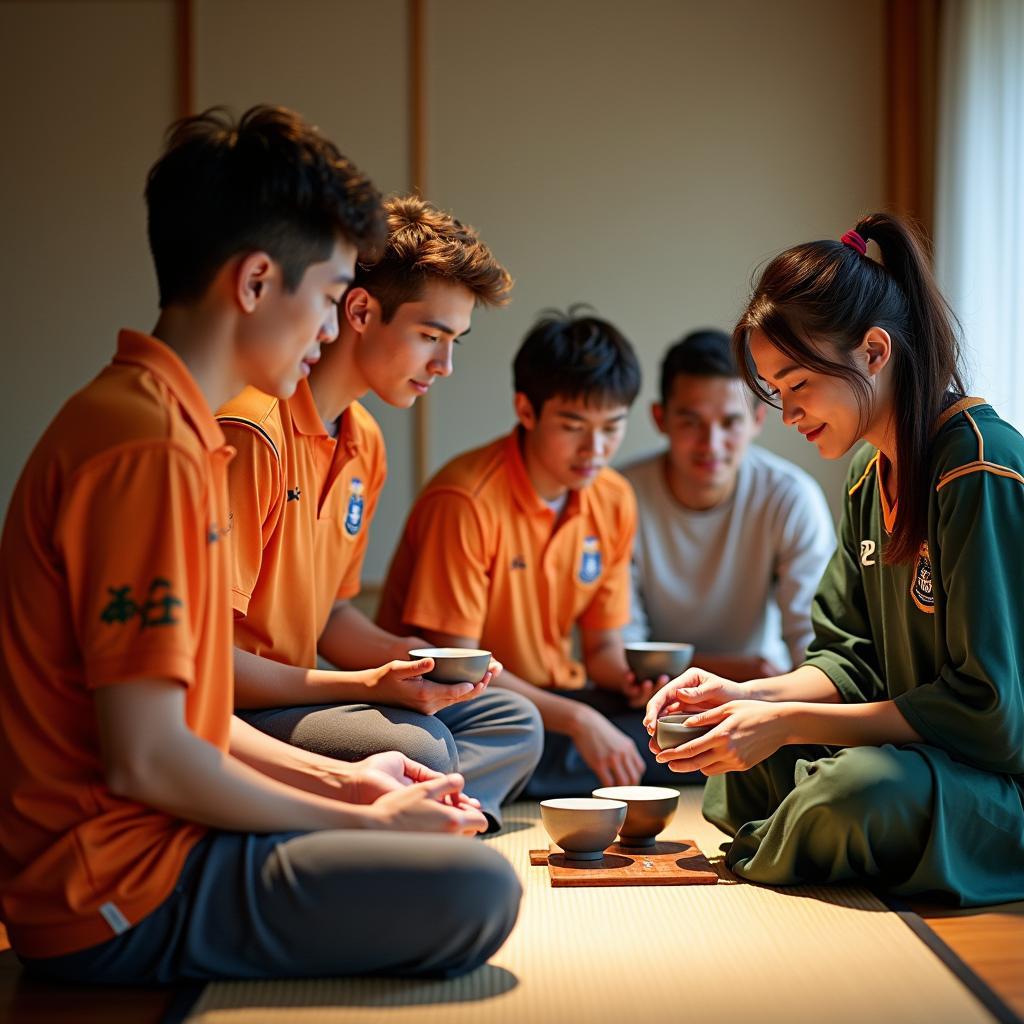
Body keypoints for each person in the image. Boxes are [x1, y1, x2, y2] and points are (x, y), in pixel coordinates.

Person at [0, 105, 521, 987]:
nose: (331, 330)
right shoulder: (152, 449)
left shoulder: (165, 425)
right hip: (116, 885)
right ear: (252, 284)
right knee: (475, 889)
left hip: (154, 838)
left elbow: (196, 722)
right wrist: (363, 821)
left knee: (447, 829)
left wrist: (349, 787)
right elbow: (151, 755)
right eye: (326, 297)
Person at [645, 213, 1024, 905]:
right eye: (775, 391)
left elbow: (991, 715)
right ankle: (802, 836)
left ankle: (798, 837)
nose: (787, 412)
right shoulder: (864, 474)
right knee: (738, 756)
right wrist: (744, 698)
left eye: (797, 384)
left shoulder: (977, 465)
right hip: (928, 754)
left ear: (875, 351)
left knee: (858, 791)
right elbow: (849, 660)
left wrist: (787, 722)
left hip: (997, 780)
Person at [216, 194, 542, 832]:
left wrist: (412, 659)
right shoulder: (253, 430)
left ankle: (432, 812)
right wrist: (367, 686)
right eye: (430, 336)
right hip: (237, 710)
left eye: (455, 342)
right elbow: (208, 665)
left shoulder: (364, 438)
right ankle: (430, 809)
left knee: (511, 718)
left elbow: (334, 613)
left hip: (303, 695)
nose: (445, 365)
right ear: (360, 310)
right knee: (421, 746)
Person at [378, 309, 676, 797]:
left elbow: (601, 648)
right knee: (519, 736)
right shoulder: (467, 499)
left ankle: (544, 770)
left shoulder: (613, 497)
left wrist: (633, 682)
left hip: (553, 697)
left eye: (611, 427)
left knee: (674, 732)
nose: (594, 449)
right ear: (526, 410)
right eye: (574, 425)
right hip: (466, 703)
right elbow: (457, 670)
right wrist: (579, 720)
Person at [622, 329, 835, 679]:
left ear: (757, 420)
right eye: (691, 422)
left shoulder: (790, 498)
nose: (712, 444)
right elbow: (622, 650)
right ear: (661, 419)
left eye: (730, 422)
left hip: (764, 692)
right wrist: (738, 670)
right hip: (652, 695)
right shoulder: (618, 497)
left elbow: (814, 642)